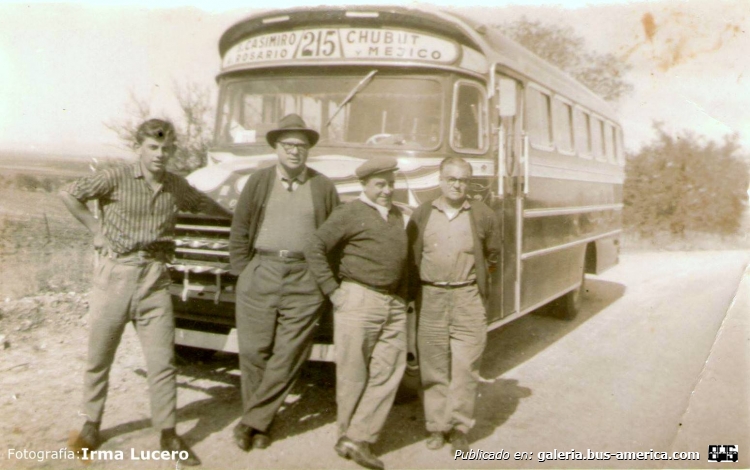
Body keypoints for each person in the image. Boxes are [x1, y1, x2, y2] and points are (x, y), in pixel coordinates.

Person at [60, 119, 205, 466]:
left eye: (166, 148)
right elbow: (68, 193)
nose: (160, 154)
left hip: (155, 277)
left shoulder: (176, 185)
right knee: (99, 358)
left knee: (162, 362)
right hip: (115, 275)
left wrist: (240, 217)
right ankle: (92, 424)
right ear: (139, 147)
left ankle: (168, 433)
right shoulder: (115, 176)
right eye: (153, 147)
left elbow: (203, 204)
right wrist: (96, 230)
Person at [228, 114, 340, 451]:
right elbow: (240, 229)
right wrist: (243, 272)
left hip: (305, 277)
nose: (295, 151)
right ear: (276, 147)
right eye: (288, 145)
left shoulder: (323, 186)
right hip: (260, 271)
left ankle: (253, 422)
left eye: (301, 146)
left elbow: (333, 237)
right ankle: (261, 423)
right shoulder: (258, 181)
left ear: (309, 151)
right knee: (252, 351)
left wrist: (323, 281)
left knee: (289, 353)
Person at [305, 156, 409, 470]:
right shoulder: (350, 212)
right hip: (358, 299)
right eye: (380, 184)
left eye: (391, 183)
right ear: (364, 185)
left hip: (393, 303)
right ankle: (349, 436)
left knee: (389, 371)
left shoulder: (396, 216)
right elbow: (314, 245)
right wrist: (332, 290)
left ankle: (358, 435)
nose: (387, 190)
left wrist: (402, 299)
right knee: (353, 374)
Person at [407, 156, 500, 453]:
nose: (457, 185)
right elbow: (412, 256)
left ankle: (459, 427)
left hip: (467, 297)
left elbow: (494, 257)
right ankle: (437, 427)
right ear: (440, 179)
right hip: (431, 297)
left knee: (465, 366)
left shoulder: (483, 215)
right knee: (433, 367)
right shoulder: (422, 214)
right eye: (452, 179)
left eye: (463, 180)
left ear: (469, 183)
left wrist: (477, 286)